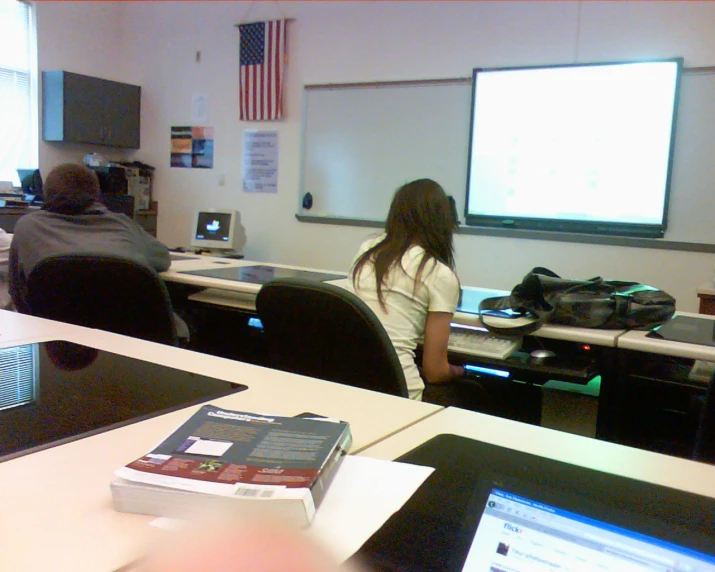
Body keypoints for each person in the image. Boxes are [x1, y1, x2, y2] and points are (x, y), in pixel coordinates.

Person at [8, 162, 188, 338]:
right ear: (97, 194)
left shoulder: (28, 227)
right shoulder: (122, 223)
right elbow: (162, 259)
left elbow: (17, 290)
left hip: (58, 344)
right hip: (136, 342)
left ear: (46, 193)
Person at [350, 178, 464, 401]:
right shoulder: (439, 274)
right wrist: (462, 371)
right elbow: (435, 372)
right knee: (482, 391)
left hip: (352, 384)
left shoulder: (367, 250)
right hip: (400, 392)